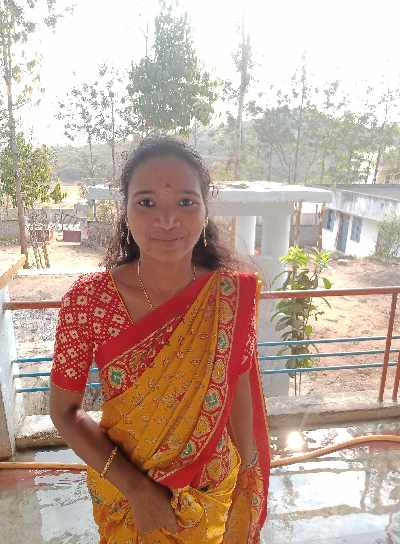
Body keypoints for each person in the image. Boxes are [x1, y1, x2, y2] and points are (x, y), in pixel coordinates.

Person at [50, 137, 270, 543]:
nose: (167, 220)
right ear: (126, 211)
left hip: (210, 496)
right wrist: (137, 490)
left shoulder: (230, 296)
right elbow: (64, 411)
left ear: (205, 210)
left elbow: (237, 385)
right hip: (127, 499)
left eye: (186, 202)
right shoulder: (89, 300)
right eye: (147, 202)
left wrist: (249, 478)